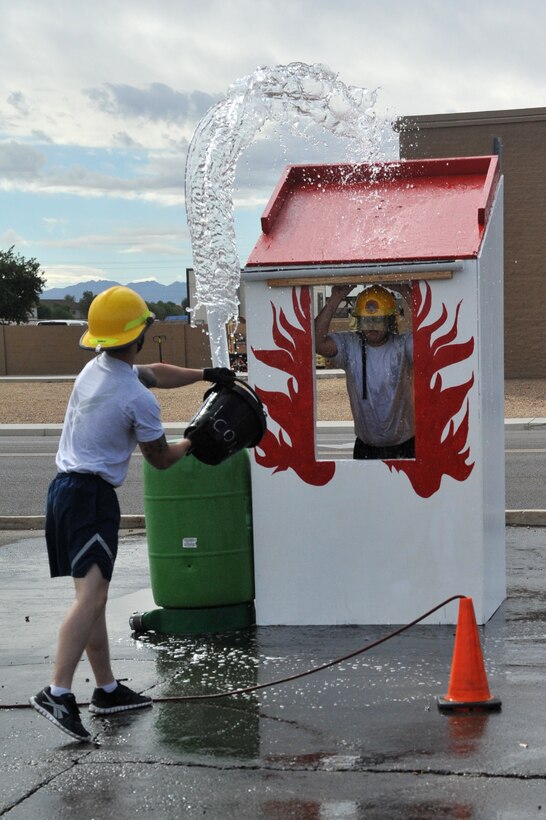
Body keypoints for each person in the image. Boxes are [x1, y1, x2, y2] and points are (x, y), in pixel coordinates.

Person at [29, 286, 235, 742]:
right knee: (90, 598)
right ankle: (57, 692)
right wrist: (196, 440)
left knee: (93, 596)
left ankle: (105, 690)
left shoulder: (95, 369)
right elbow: (160, 459)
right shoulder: (136, 400)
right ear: (140, 333)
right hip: (91, 497)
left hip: (63, 491)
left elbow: (156, 373)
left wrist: (206, 373)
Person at [315, 283, 414, 460]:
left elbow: (433, 336)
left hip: (405, 446)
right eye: (367, 321)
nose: (372, 327)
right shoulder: (350, 346)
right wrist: (335, 298)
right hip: (366, 447)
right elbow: (315, 342)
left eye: (379, 320)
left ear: (390, 321)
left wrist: (407, 293)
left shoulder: (403, 345)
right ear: (359, 321)